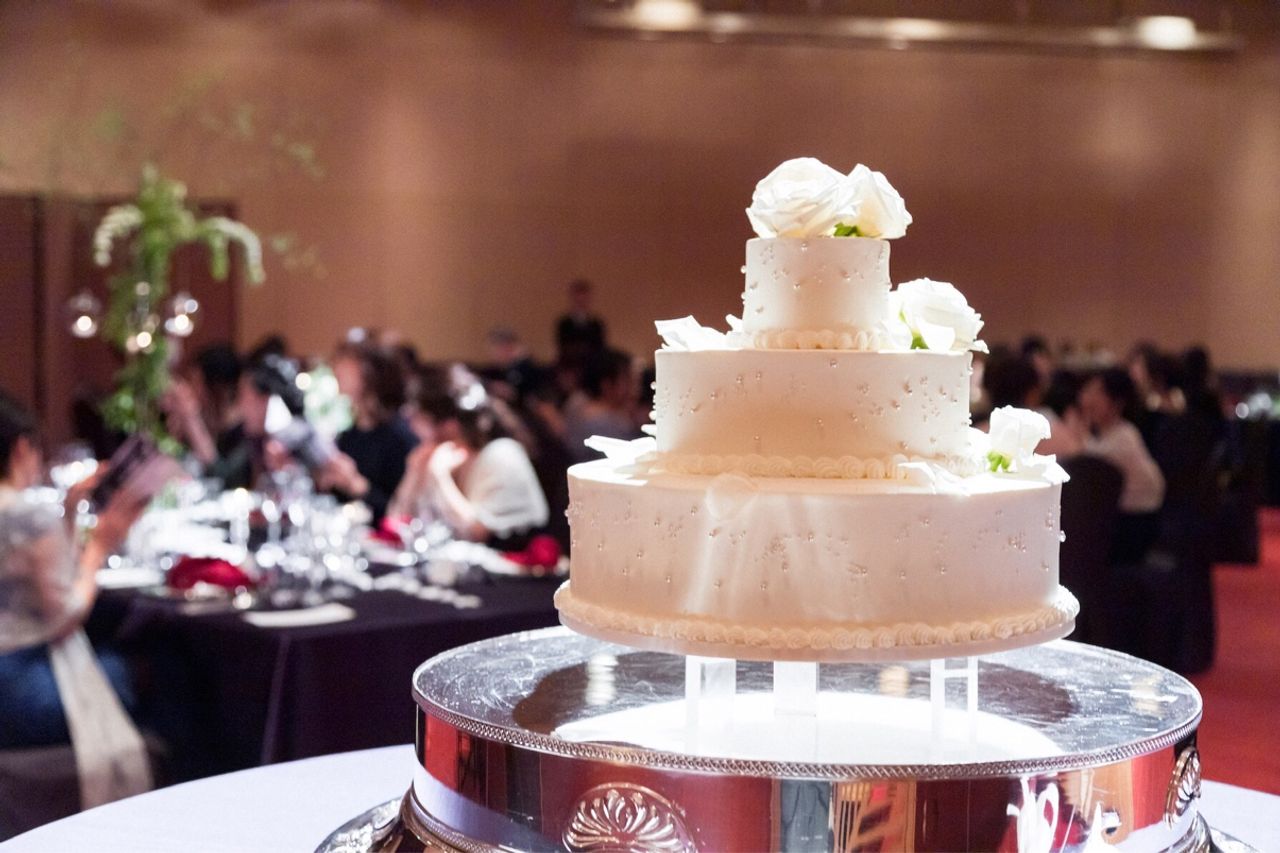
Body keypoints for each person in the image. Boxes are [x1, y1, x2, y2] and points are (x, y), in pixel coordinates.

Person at [0, 392, 152, 809]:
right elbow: (65, 615)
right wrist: (99, 547)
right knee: (148, 668)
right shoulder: (28, 515)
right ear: (22, 448)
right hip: (18, 692)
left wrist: (68, 512)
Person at [390, 365, 548, 549]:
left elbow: (476, 533)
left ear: (450, 425)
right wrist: (413, 476)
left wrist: (440, 477)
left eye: (418, 417)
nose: (411, 427)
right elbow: (395, 525)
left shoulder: (502, 454)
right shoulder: (435, 457)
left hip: (515, 563)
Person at [323, 337, 417, 522]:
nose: (337, 369)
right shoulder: (348, 436)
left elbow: (405, 514)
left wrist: (357, 485)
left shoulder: (401, 438)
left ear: (371, 372)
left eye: (346, 362)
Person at [1078, 368, 1166, 564]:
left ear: (1117, 403)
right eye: (1088, 391)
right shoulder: (1106, 434)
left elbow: (1088, 465)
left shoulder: (1124, 436)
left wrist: (1076, 433)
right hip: (1120, 519)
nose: (1088, 399)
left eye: (1098, 393)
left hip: (1134, 525)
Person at [562, 348, 642, 464]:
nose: (635, 389)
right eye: (628, 380)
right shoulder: (599, 419)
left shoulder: (578, 401)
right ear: (607, 384)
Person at [554, 278, 607, 366]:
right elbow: (562, 346)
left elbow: (600, 348)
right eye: (578, 299)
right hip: (570, 365)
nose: (581, 302)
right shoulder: (564, 323)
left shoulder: (596, 324)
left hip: (593, 365)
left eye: (584, 299)